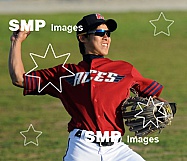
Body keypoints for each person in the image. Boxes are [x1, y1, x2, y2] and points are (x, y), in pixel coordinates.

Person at [9, 13, 164, 161]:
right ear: (82, 37)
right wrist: (17, 41)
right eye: (100, 33)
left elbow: (154, 97)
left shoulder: (124, 69)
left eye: (108, 34)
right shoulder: (64, 73)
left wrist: (163, 109)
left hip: (117, 150)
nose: (106, 38)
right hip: (82, 148)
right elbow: (20, 79)